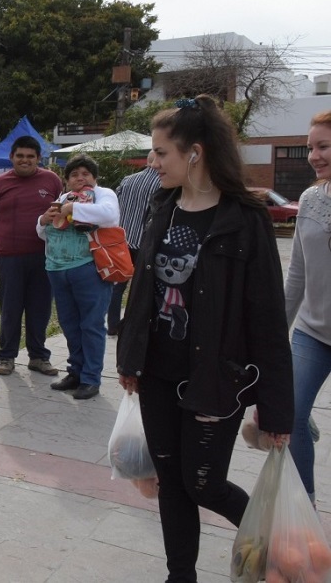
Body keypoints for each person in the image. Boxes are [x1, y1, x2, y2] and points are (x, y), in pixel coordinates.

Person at [116, 95, 293, 583]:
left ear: (194, 153)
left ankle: (276, 547)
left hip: (218, 379)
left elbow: (268, 321)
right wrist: (131, 359)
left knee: (204, 483)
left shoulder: (245, 217)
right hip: (157, 373)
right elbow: (143, 289)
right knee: (171, 483)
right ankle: (181, 575)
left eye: (161, 153)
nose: (153, 163)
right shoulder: (162, 207)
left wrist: (277, 410)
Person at [37, 154, 119, 400]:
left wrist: (72, 208)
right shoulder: (61, 199)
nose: (80, 178)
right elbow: (44, 233)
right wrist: (43, 220)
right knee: (70, 325)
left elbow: (108, 215)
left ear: (94, 178)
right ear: (67, 180)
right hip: (58, 270)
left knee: (91, 325)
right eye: (74, 175)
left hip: (89, 269)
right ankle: (75, 372)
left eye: (85, 174)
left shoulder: (104, 195)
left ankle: (91, 378)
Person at [0, 136, 63, 376]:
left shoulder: (52, 180)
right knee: (10, 308)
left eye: (30, 156)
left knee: (40, 308)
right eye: (20, 156)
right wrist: (7, 236)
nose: (25, 160)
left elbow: (60, 213)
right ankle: (6, 357)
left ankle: (38, 357)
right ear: (12, 158)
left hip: (44, 256)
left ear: (38, 158)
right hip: (11, 258)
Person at [286, 110, 331, 505]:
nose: (314, 156)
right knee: (290, 415)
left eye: (324, 146)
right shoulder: (310, 199)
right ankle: (305, 513)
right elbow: (297, 275)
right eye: (310, 148)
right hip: (312, 333)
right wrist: (272, 334)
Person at [107, 152, 161, 336]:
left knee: (118, 285)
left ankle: (113, 324)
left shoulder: (128, 180)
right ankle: (132, 325)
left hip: (122, 240)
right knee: (140, 287)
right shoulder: (162, 183)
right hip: (144, 242)